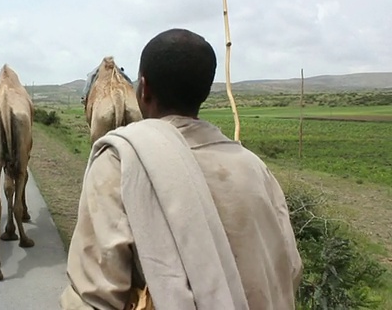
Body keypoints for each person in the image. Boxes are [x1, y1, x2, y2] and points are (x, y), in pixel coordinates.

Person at [60, 29, 303, 309]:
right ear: (206, 92)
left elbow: (94, 295)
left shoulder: (119, 162)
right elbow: (290, 268)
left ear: (144, 88)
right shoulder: (255, 167)